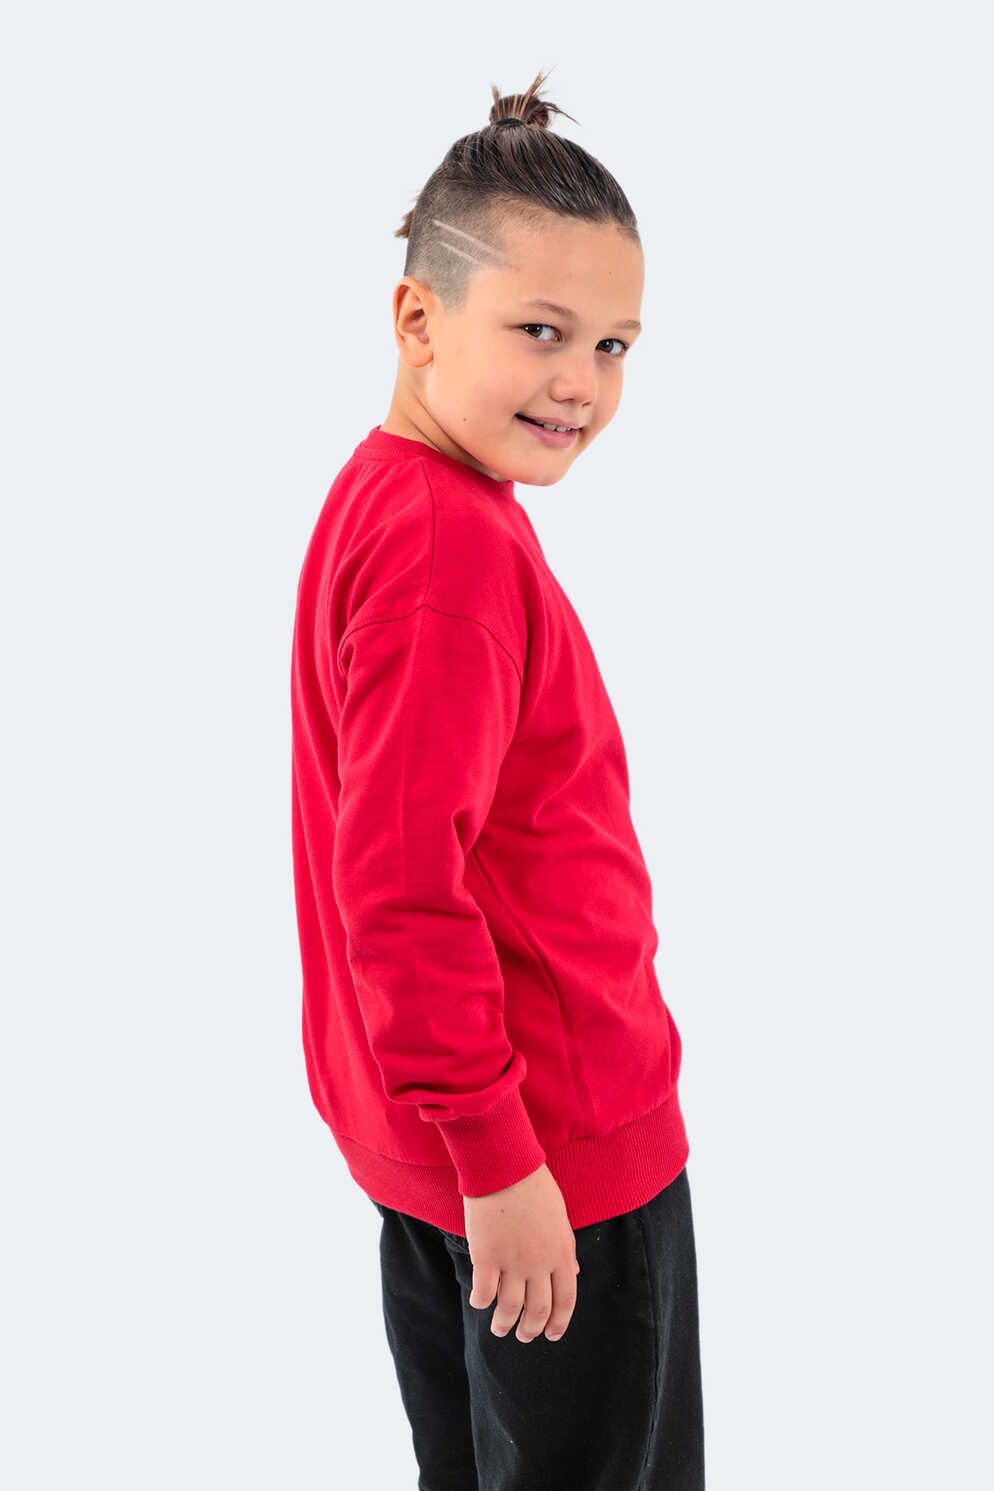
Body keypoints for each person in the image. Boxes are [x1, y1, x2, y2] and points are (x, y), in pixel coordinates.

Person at [290, 68, 705, 1491]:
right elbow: (399, 887)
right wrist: (504, 1159)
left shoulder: (395, 496)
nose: (581, 382)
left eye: (613, 344)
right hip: (546, 1161)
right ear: (418, 321)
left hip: (460, 1151)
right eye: (541, 331)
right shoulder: (448, 551)